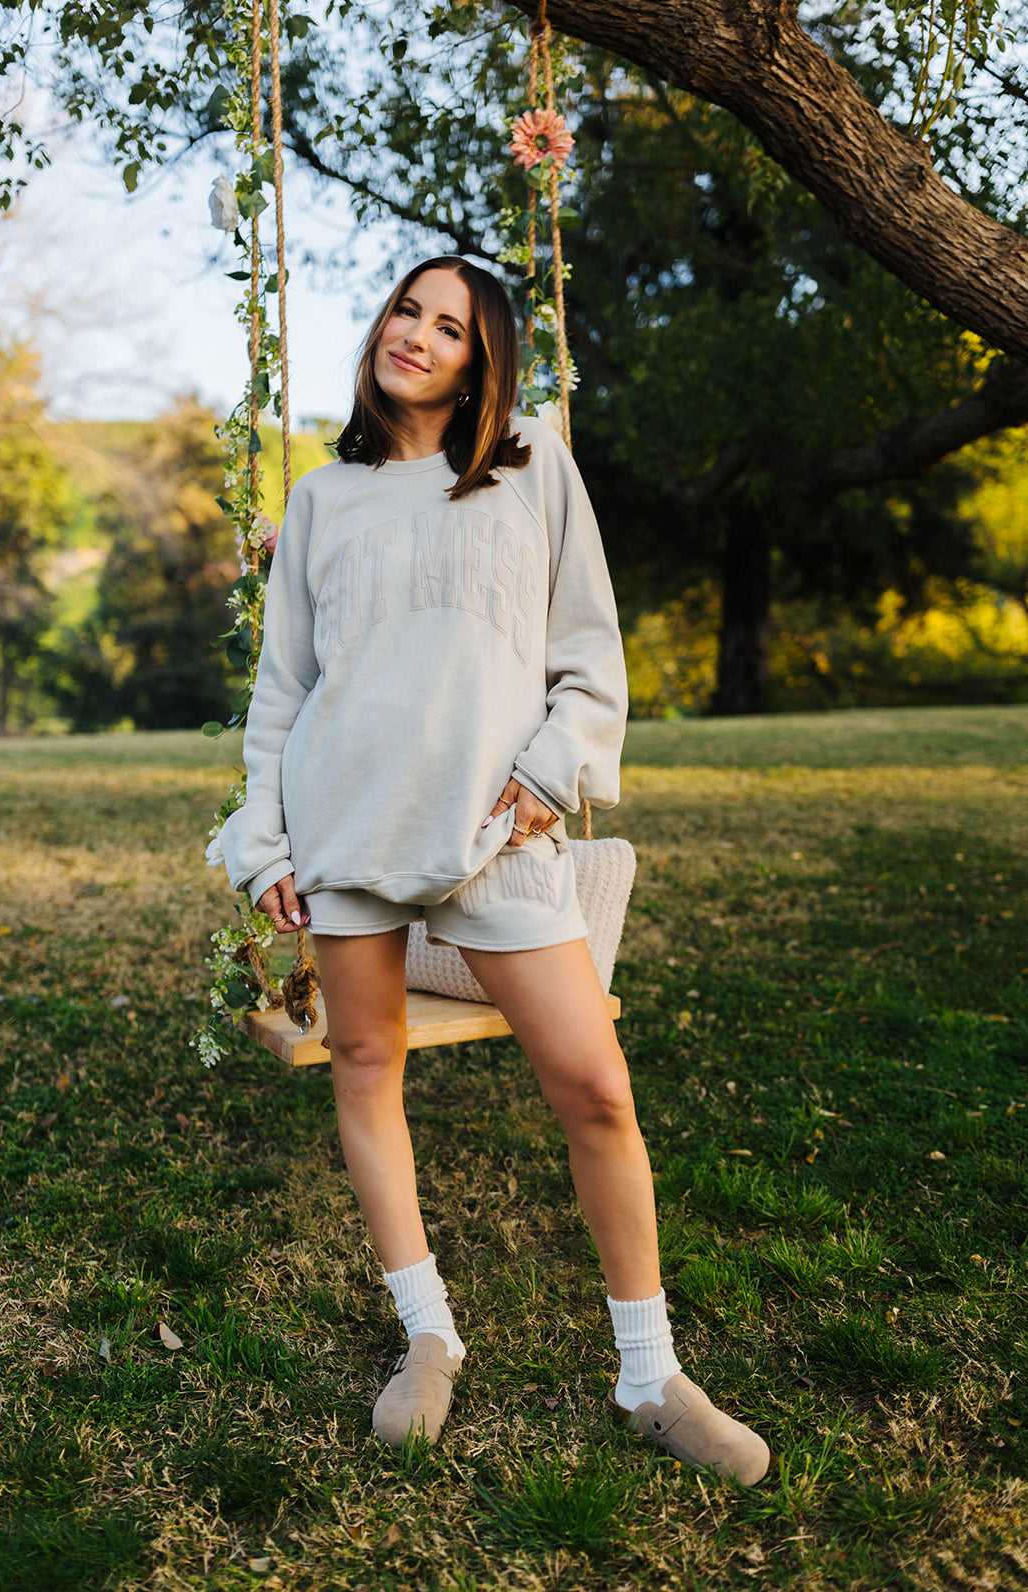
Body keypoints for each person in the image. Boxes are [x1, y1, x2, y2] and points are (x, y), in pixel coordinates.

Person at [217, 256, 769, 1484]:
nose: (413, 334)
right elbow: (282, 695)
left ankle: (648, 1372)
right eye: (404, 310)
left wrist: (546, 770)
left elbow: (588, 657)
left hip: (499, 837)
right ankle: (428, 1335)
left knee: (598, 1092)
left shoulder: (528, 466)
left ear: (485, 358)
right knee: (364, 1066)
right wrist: (266, 847)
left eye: (449, 325)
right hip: (346, 827)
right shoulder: (321, 498)